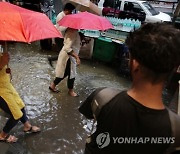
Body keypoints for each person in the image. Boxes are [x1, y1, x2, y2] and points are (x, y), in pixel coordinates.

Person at [79, 23, 180, 153]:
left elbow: (89, 117)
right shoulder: (175, 130)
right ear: (174, 68)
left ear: (134, 63)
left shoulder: (103, 98)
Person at [0, 51, 40, 143]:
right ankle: (2, 135)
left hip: (7, 87)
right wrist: (2, 63)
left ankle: (27, 126)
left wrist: (6, 67)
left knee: (20, 104)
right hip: (1, 92)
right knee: (16, 114)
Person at [49, 28, 85, 97]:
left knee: (66, 73)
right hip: (68, 57)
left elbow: (73, 44)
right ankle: (70, 91)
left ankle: (52, 85)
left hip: (70, 57)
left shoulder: (73, 31)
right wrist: (77, 57)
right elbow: (67, 48)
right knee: (72, 74)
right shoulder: (72, 32)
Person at [48, 3, 75, 67]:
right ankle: (52, 60)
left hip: (63, 37)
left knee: (63, 53)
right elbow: (60, 29)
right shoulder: (60, 16)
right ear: (66, 10)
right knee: (63, 53)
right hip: (59, 37)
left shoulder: (65, 16)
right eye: (70, 11)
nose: (71, 13)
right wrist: (68, 25)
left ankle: (55, 62)